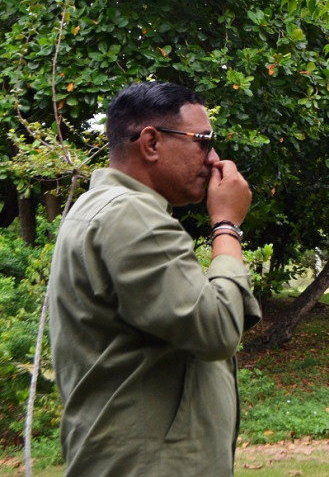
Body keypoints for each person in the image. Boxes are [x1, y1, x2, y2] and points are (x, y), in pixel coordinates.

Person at [49, 81, 261, 477]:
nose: (213, 158)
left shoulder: (96, 208)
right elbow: (217, 329)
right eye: (202, 141)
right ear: (150, 143)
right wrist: (227, 225)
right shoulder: (132, 217)